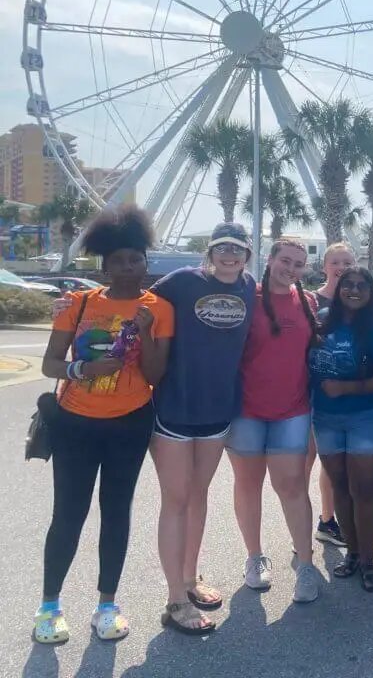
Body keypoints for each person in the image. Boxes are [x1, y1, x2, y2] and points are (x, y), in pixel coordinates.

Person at [34, 205, 173, 644]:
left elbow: (154, 376)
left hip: (130, 423)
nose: (128, 267)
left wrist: (148, 333)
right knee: (68, 515)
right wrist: (82, 372)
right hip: (76, 424)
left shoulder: (160, 309)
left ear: (145, 261)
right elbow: (50, 364)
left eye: (136, 258)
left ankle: (107, 603)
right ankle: (49, 606)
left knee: (117, 513)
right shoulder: (78, 304)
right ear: (105, 264)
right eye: (118, 260)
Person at [149, 222, 257, 634]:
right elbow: (131, 305)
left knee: (198, 494)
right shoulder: (181, 282)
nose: (230, 256)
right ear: (210, 253)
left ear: (247, 254)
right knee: (175, 500)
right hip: (174, 410)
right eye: (222, 248)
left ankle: (190, 578)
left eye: (237, 249)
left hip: (218, 410)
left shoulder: (250, 288)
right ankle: (175, 599)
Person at [227, 239, 321, 604]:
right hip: (246, 411)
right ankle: (254, 557)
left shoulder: (308, 302)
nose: (292, 269)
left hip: (292, 411)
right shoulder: (246, 297)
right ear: (270, 259)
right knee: (248, 485)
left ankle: (307, 564)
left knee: (293, 486)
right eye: (286, 261)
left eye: (299, 264)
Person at [310, 266, 373, 593]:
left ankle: (369, 561)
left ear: (370, 292)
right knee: (340, 487)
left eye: (362, 285)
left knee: (365, 489)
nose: (354, 290)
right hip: (325, 418)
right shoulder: (321, 320)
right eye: (348, 284)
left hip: (366, 417)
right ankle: (352, 552)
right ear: (339, 288)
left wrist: (346, 389)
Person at [311, 241, 357, 546]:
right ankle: (325, 520)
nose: (340, 268)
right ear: (325, 266)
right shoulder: (311, 301)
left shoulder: (358, 299)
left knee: (344, 461)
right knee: (321, 460)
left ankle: (341, 518)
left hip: (352, 393)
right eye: (335, 262)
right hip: (317, 391)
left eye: (346, 263)